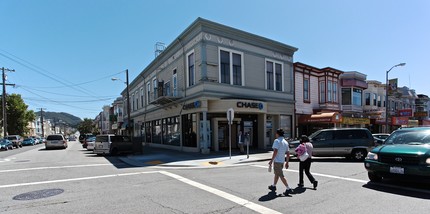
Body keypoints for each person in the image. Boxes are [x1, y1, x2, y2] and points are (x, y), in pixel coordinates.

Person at [268, 129, 292, 195]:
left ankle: (288, 188)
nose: (275, 135)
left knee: (281, 175)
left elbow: (275, 151)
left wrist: (271, 160)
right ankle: (273, 186)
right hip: (282, 161)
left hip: (277, 161)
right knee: (277, 174)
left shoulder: (277, 141)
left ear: (277, 134)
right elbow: (288, 153)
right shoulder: (285, 142)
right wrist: (287, 162)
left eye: (276, 133)